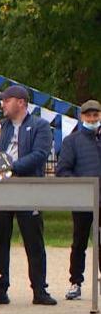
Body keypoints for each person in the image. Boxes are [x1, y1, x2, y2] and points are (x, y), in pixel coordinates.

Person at [0, 85, 55, 306]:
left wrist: (9, 168)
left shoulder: (40, 126)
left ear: (21, 102)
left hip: (27, 187)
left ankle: (40, 290)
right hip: (1, 189)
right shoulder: (0, 127)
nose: (2, 104)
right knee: (0, 239)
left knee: (34, 240)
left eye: (6, 100)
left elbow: (40, 155)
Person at [55, 99, 101, 300]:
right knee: (79, 242)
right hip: (82, 199)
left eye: (96, 115)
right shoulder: (71, 141)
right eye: (89, 115)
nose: (92, 119)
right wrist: (82, 185)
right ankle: (76, 282)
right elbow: (63, 170)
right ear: (82, 117)